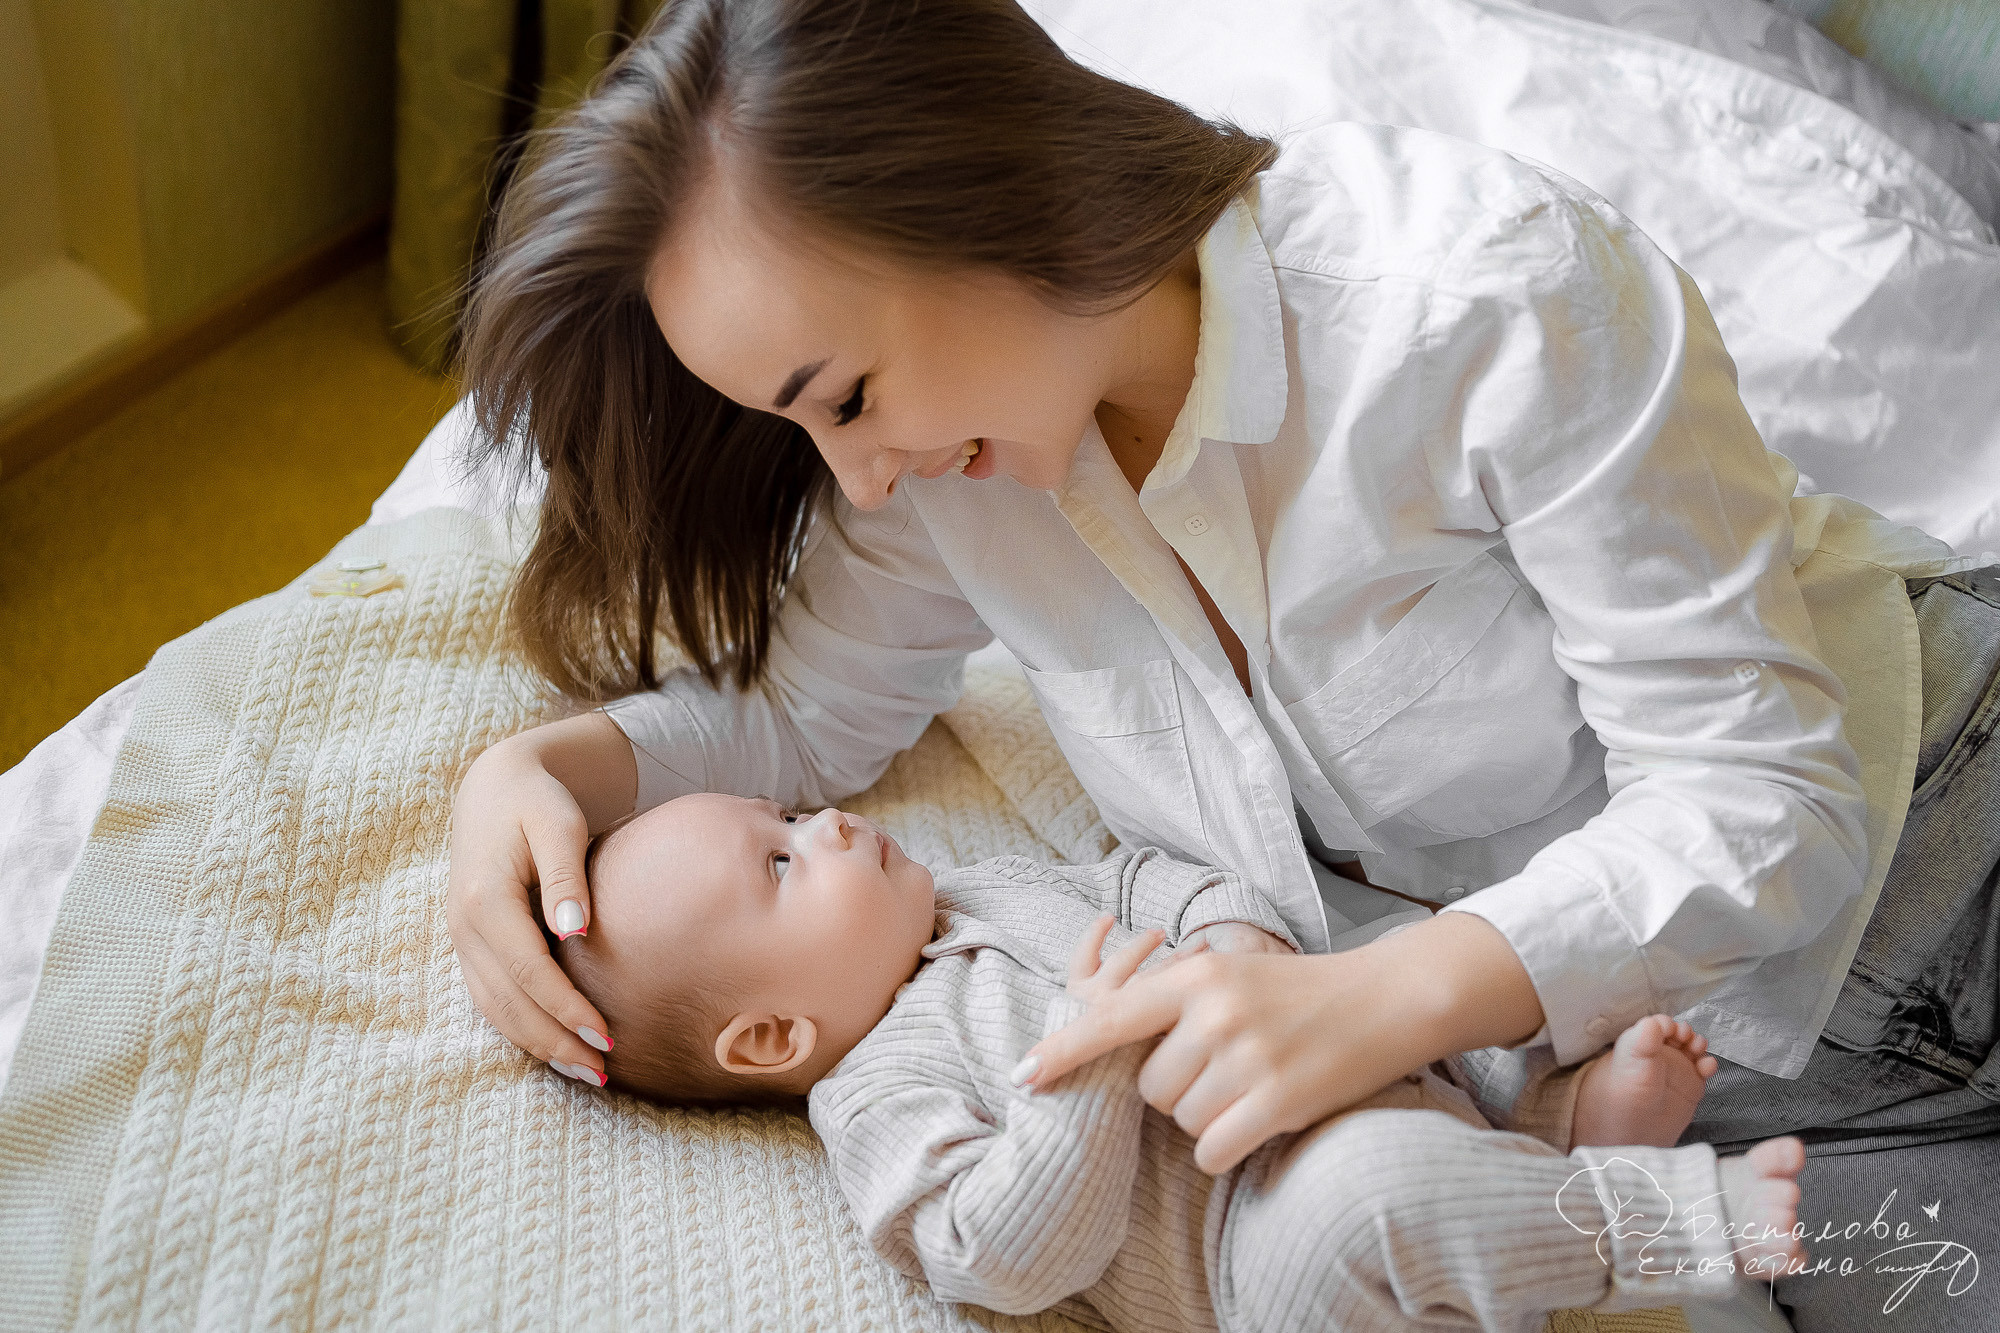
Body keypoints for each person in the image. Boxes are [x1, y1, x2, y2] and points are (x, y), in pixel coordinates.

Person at [441, 1, 2000, 1322]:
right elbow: (796, 714)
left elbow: (1762, 798)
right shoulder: (951, 485)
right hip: (1720, 1100)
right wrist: (538, 772)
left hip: (1946, 846)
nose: (853, 479)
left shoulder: (1478, 296)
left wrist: (1389, 998)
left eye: (842, 394)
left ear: (985, 193)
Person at [553, 790, 1809, 1331]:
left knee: (1424, 963)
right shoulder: (877, 1088)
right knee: (1359, 1194)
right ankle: (1661, 1217)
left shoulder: (985, 889)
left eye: (782, 811)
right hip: (1259, 1258)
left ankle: (1557, 1124)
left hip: (1356, 1071)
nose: (820, 822)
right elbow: (998, 1258)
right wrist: (1082, 1065)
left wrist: (1225, 943)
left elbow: (1150, 874)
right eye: (780, 862)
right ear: (771, 1035)